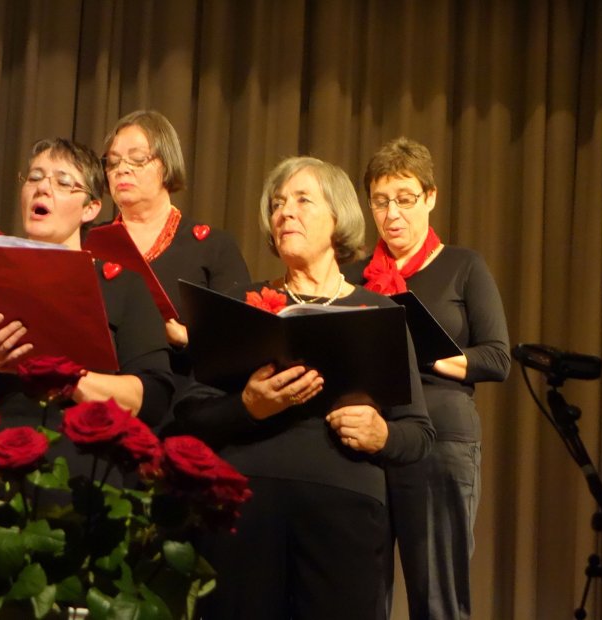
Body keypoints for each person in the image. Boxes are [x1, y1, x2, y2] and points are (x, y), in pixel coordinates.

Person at [174, 156, 435, 619]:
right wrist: (248, 406)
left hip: (343, 513)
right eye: (277, 204)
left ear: (338, 218)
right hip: (245, 507)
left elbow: (419, 434)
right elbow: (190, 413)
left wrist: (382, 434)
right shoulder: (241, 304)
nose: (285, 213)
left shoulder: (379, 314)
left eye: (302, 200)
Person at [0, 138, 173, 464]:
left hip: (81, 461)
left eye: (63, 183)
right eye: (35, 177)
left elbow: (152, 399)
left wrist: (69, 376)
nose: (42, 188)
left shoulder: (123, 286)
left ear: (91, 208)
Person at [343, 137, 511, 620]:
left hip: (440, 438)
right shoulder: (353, 276)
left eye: (405, 199)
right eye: (380, 201)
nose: (392, 214)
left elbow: (496, 358)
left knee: (437, 596)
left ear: (430, 197)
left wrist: (427, 352)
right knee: (358, 592)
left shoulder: (463, 265)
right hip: (367, 439)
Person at [101, 110, 249, 378]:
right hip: (99, 390)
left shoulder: (213, 247)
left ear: (167, 165)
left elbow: (240, 344)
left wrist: (182, 336)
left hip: (183, 392)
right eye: (113, 162)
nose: (122, 169)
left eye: (137, 159)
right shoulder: (91, 242)